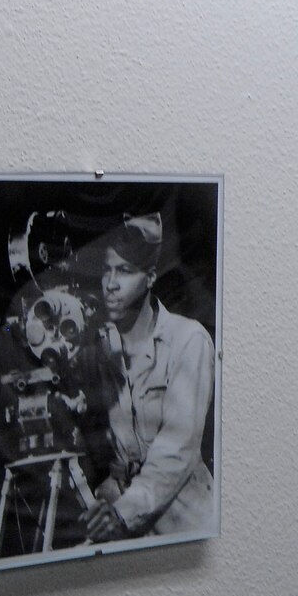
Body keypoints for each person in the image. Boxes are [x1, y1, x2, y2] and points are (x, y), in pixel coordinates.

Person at [81, 214, 216, 542]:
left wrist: (122, 513)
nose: (110, 283)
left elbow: (177, 450)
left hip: (186, 525)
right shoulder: (102, 345)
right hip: (130, 527)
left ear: (151, 277)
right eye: (107, 270)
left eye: (125, 271)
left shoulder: (188, 341)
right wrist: (108, 488)